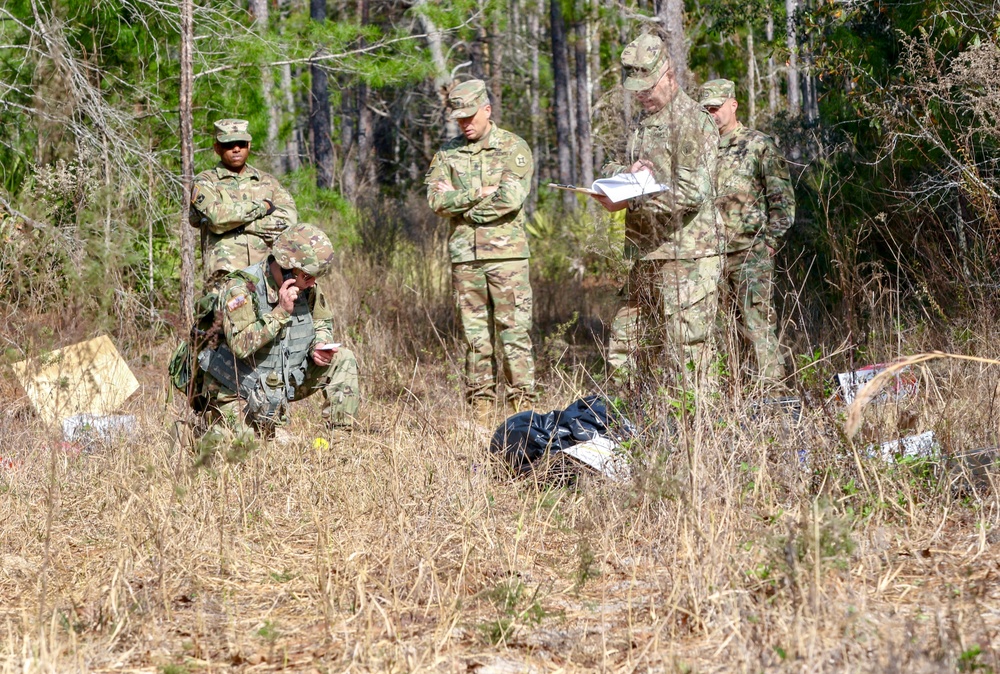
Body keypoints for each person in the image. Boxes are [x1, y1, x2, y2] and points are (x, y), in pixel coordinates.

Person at [592, 34, 723, 390]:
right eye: (635, 88)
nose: (642, 94)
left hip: (687, 259)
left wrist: (633, 197)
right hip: (642, 256)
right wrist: (621, 177)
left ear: (669, 75)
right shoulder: (639, 123)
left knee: (687, 355)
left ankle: (696, 438)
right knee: (627, 350)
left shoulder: (695, 121)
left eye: (648, 87)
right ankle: (627, 431)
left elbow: (694, 192)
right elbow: (617, 161)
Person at [425, 79, 536, 419]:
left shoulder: (513, 148)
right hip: (466, 260)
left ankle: (524, 410)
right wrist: (478, 193)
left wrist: (464, 207)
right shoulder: (447, 153)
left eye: (471, 116)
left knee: (514, 334)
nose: (465, 123)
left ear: (487, 110)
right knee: (475, 339)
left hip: (507, 258)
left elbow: (510, 198)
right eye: (459, 118)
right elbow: (435, 200)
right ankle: (480, 411)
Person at [193, 223, 359, 439]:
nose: (312, 283)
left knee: (343, 359)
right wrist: (280, 312)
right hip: (238, 388)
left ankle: (340, 442)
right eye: (307, 276)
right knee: (248, 447)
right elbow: (241, 345)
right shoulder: (240, 289)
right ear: (286, 267)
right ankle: (194, 434)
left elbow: (321, 322)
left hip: (281, 382)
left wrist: (319, 344)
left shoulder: (306, 288)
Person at [699, 79, 796, 383]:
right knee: (717, 335)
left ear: (733, 104)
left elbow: (782, 198)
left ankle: (774, 398)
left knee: (757, 328)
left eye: (716, 107)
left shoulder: (757, 144)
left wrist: (769, 241)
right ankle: (733, 400)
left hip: (749, 253)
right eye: (707, 109)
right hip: (707, 257)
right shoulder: (700, 149)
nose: (712, 113)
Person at [190, 119, 298, 287]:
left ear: (249, 145)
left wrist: (242, 225)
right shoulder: (205, 182)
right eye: (229, 144)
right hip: (225, 276)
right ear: (217, 148)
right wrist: (262, 207)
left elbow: (289, 220)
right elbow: (217, 218)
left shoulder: (268, 182)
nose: (236, 149)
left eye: (241, 143)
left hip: (267, 275)